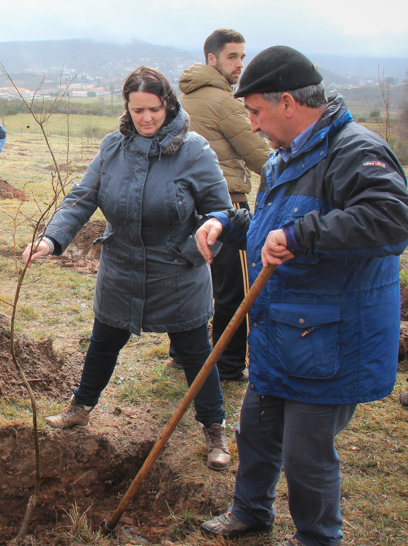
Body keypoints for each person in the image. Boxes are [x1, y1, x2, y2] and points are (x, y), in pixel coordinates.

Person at [196, 46, 408, 546]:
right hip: (279, 331)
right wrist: (228, 222)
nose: (250, 125)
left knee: (306, 455)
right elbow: (273, 225)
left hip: (329, 339)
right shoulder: (285, 156)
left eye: (254, 111)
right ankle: (250, 512)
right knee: (256, 431)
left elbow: (392, 219)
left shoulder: (354, 151)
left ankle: (317, 538)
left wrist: (301, 236)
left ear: (287, 102)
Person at [23, 66, 235, 471]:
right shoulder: (112, 148)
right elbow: (81, 198)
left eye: (153, 109)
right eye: (137, 110)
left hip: (178, 272)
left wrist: (196, 248)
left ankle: (215, 430)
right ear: (127, 108)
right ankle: (80, 407)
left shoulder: (195, 151)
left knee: (196, 354)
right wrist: (51, 240)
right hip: (121, 268)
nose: (146, 118)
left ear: (168, 105)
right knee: (103, 341)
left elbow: (221, 212)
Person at [178, 29, 271, 382]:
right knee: (233, 290)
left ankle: (182, 353)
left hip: (187, 203)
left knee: (192, 280)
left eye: (242, 57)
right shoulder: (226, 102)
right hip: (226, 202)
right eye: (233, 57)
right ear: (212, 59)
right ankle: (230, 366)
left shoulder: (182, 98)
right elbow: (260, 154)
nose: (240, 64)